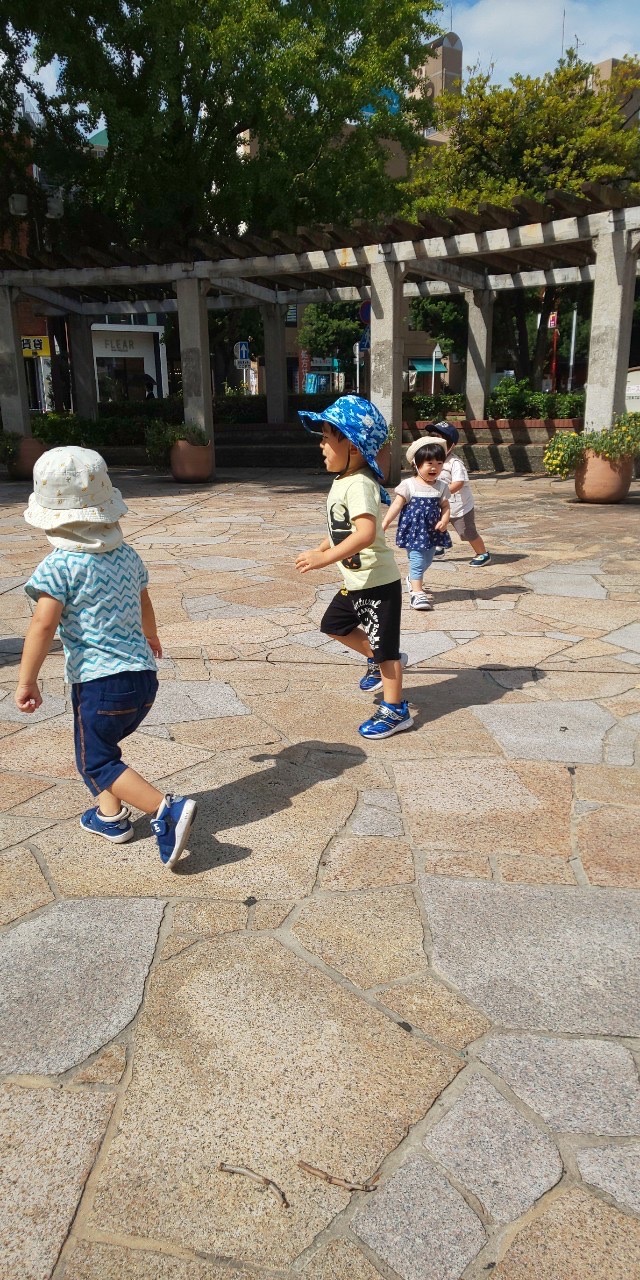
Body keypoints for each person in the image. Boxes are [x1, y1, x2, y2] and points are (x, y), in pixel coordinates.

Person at [14, 446, 196, 868]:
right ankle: (110, 817)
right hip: (142, 679)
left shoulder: (59, 566)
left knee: (93, 759)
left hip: (99, 683)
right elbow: (144, 600)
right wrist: (151, 636)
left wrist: (27, 680)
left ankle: (165, 810)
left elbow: (42, 625)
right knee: (100, 749)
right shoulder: (127, 555)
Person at [295, 395, 412, 740]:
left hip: (377, 583)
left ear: (354, 447)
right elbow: (342, 528)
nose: (321, 445)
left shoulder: (359, 483)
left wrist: (325, 558)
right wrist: (322, 546)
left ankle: (395, 709)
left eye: (326, 438)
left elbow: (365, 534)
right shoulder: (344, 480)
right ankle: (376, 658)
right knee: (334, 624)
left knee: (387, 651)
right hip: (356, 582)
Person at [382, 436, 451, 611]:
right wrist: (385, 523)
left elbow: (445, 506)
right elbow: (396, 505)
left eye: (439, 463)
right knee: (418, 561)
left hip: (432, 531)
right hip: (414, 531)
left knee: (427, 560)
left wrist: (444, 520)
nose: (434, 467)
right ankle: (417, 593)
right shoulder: (409, 485)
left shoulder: (441, 486)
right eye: (429, 463)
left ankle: (412, 579)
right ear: (416, 464)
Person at [427, 421, 491, 566]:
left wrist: (443, 492)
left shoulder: (454, 463)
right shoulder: (430, 462)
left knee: (466, 531)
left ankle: (482, 553)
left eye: (439, 443)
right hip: (440, 504)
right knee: (435, 525)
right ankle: (439, 547)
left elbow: (459, 483)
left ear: (450, 446)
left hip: (459, 506)